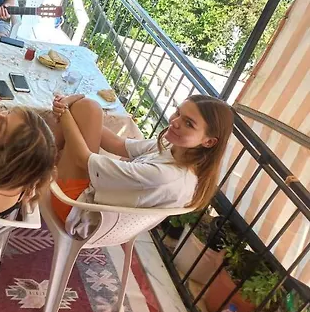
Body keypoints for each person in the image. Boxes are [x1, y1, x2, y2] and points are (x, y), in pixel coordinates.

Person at [50, 93, 233, 233]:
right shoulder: (173, 147)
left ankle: (37, 168)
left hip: (78, 211)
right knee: (88, 108)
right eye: (178, 113)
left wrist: (64, 111)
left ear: (209, 141)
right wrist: (72, 108)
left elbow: (83, 159)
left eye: (189, 124)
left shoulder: (166, 175)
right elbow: (118, 144)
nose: (175, 122)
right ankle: (41, 160)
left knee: (83, 112)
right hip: (102, 209)